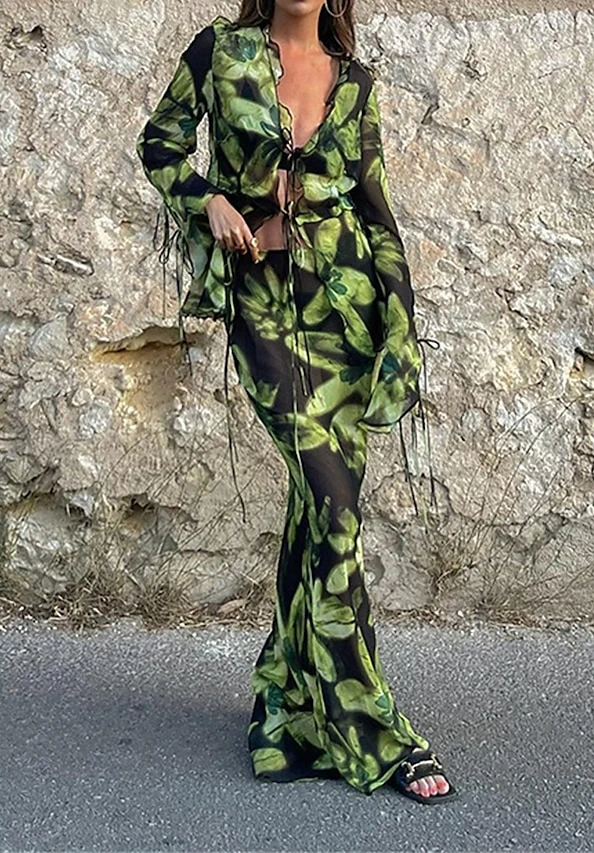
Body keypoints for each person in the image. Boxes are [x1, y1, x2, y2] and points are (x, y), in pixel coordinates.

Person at [136, 0, 458, 805]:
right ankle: (373, 726)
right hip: (264, 312)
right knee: (335, 507)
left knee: (315, 515)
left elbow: (376, 212)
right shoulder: (222, 52)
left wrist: (401, 330)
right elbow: (160, 141)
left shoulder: (354, 83)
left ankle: (284, 709)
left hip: (348, 313)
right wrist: (208, 199)